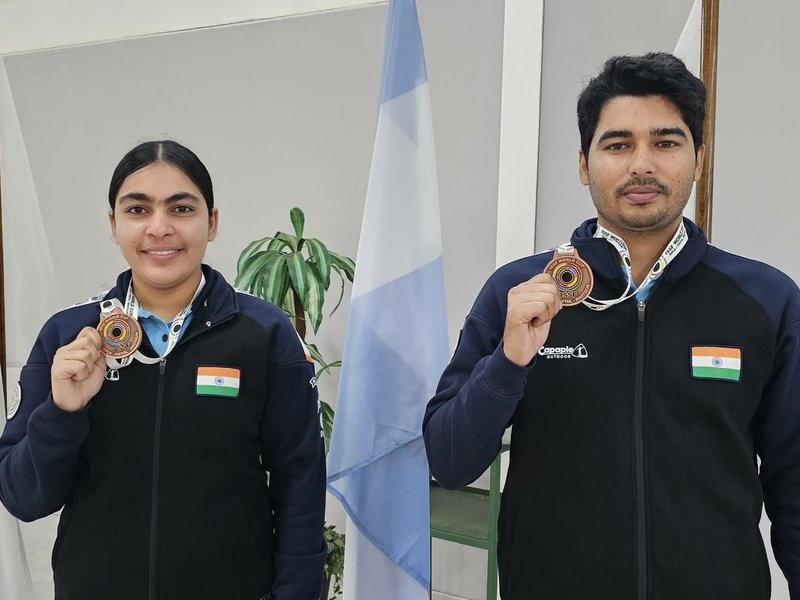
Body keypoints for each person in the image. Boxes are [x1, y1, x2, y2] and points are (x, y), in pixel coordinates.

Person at [423, 53, 800, 599]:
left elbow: (793, 479)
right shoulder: (521, 292)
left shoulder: (765, 300)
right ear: (584, 163)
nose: (641, 164)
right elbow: (450, 460)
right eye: (618, 144)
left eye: (666, 142)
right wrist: (507, 364)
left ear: (697, 155)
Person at [0, 140, 326, 600]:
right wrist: (61, 412)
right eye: (137, 209)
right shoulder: (69, 338)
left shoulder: (265, 335)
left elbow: (300, 481)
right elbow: (23, 498)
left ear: (211, 223)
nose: (159, 228)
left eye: (181, 208)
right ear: (113, 224)